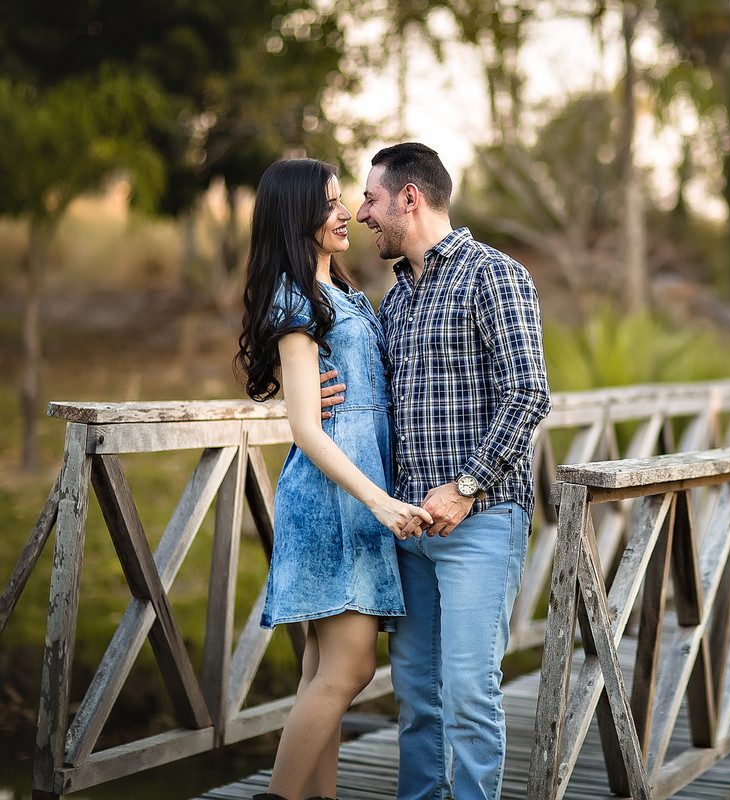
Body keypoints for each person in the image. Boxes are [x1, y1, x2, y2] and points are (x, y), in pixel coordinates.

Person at [324, 142, 550, 800]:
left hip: (482, 522)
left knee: (470, 697)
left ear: (409, 198)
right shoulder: (393, 302)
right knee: (418, 702)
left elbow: (528, 393)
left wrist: (466, 487)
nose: (362, 213)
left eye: (370, 198)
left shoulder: (494, 275)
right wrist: (304, 392)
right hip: (411, 532)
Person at [234, 157, 432, 800]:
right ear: (297, 217)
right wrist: (380, 502)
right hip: (335, 500)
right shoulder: (295, 301)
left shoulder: (342, 293)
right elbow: (306, 428)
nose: (344, 211)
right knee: (348, 669)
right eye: (329, 202)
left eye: (344, 199)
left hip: (356, 493)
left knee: (323, 673)